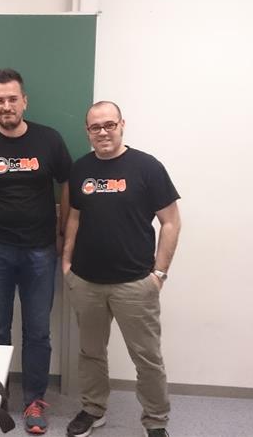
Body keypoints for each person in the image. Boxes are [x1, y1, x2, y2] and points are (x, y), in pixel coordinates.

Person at [0, 68, 72, 435]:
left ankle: (34, 400)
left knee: (38, 330)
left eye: (12, 99)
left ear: (24, 101)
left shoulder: (49, 140)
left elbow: (67, 183)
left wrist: (61, 232)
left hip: (41, 251)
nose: (6, 106)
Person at [62, 101, 181, 437]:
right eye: (95, 127)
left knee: (147, 358)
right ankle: (93, 408)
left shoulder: (147, 167)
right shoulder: (80, 169)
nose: (102, 132)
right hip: (86, 281)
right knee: (91, 353)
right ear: (87, 131)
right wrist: (67, 263)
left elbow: (171, 222)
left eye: (109, 125)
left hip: (135, 284)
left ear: (121, 125)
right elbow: (74, 217)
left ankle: (156, 420)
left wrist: (159, 274)